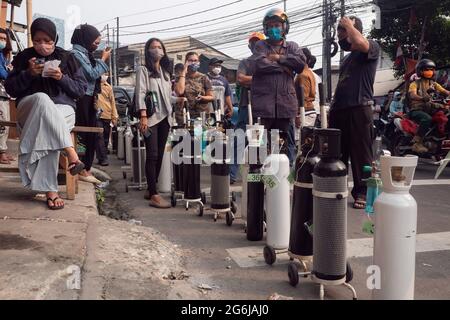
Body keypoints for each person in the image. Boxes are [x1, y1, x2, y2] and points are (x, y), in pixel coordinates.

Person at [5, 18, 87, 210]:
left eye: (47, 40)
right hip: (30, 107)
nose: (43, 45)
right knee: (42, 98)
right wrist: (28, 74)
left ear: (55, 39)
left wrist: (61, 77)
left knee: (49, 126)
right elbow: (10, 88)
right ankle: (71, 154)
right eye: (38, 40)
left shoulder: (68, 58)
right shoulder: (23, 58)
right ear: (32, 39)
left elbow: (80, 90)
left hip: (63, 109)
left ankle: (51, 190)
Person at [329, 16, 380, 210]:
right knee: (337, 154)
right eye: (339, 31)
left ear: (353, 30)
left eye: (342, 30)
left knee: (361, 154)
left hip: (359, 108)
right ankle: (336, 187)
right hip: (339, 110)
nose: (339, 35)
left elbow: (360, 42)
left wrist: (349, 25)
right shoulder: (348, 59)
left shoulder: (371, 48)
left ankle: (363, 193)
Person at [136, 38, 186, 209]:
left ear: (163, 51)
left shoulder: (165, 72)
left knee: (159, 156)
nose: (156, 50)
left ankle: (151, 188)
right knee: (152, 155)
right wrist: (143, 116)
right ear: (147, 51)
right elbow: (141, 93)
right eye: (153, 47)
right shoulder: (143, 70)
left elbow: (166, 97)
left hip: (165, 118)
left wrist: (178, 99)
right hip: (150, 118)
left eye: (159, 47)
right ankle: (154, 195)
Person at [249, 8, 306, 149]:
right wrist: (284, 67)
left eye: (277, 26)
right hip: (263, 107)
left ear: (284, 27)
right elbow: (260, 64)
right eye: (271, 26)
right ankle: (258, 171)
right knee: (258, 148)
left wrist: (278, 58)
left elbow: (300, 64)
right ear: (266, 29)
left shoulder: (292, 46)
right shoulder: (260, 45)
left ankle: (284, 170)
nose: (274, 29)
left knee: (283, 147)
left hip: (285, 107)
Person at [71, 24, 111, 184]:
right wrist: (103, 60)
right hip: (82, 98)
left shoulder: (85, 54)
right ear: (86, 39)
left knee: (91, 134)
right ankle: (82, 167)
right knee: (82, 135)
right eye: (95, 42)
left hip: (89, 98)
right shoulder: (77, 54)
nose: (96, 45)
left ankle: (86, 167)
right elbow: (92, 74)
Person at [229, 32, 266, 183]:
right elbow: (240, 79)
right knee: (240, 140)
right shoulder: (245, 62)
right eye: (253, 43)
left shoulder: (268, 61)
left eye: (259, 42)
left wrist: (252, 81)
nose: (256, 45)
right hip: (246, 106)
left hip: (265, 107)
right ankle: (231, 175)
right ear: (249, 46)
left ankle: (259, 175)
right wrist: (261, 79)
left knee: (262, 142)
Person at [408, 59, 450, 151]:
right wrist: (422, 98)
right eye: (427, 70)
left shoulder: (434, 84)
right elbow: (412, 95)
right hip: (417, 110)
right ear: (420, 71)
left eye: (431, 70)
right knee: (427, 119)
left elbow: (445, 91)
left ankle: (438, 137)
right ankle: (417, 142)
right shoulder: (414, 84)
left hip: (429, 109)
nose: (429, 72)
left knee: (445, 114)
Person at [174, 52, 214, 119]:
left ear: (199, 62)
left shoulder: (204, 77)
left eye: (195, 60)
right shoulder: (180, 77)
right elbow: (179, 92)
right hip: (183, 115)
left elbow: (211, 97)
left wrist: (202, 97)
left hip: (201, 115)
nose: (193, 63)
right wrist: (184, 71)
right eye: (190, 61)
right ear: (186, 62)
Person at [95, 73, 118, 166]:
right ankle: (104, 158)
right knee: (99, 136)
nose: (104, 76)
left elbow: (113, 102)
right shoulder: (94, 85)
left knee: (105, 139)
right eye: (103, 74)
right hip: (97, 116)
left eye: (106, 74)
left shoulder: (109, 87)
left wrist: (114, 117)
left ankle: (100, 157)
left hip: (107, 115)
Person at [0, 27, 13, 165]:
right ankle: (1, 152)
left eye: (4, 38)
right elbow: (3, 74)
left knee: (5, 122)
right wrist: (10, 72)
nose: (2, 41)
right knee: (3, 123)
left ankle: (3, 151)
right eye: (0, 38)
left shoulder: (3, 56)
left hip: (3, 93)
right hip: (1, 93)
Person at [295, 47, 318, 128]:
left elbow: (303, 97)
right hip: (309, 111)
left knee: (300, 139)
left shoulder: (302, 75)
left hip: (304, 112)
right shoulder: (309, 72)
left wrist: (298, 115)